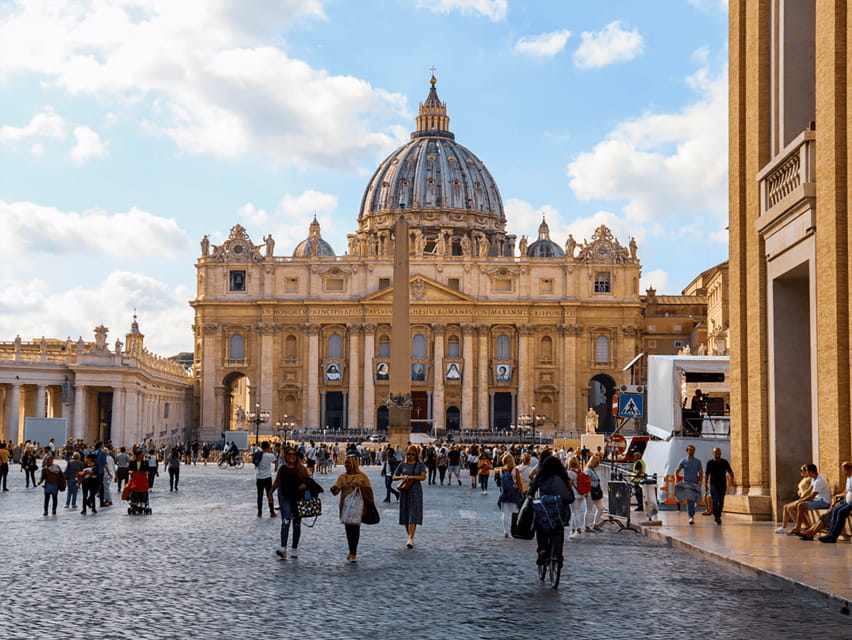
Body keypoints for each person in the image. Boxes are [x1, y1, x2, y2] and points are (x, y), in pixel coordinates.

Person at [527, 456, 572, 567]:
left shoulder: (541, 476)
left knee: (540, 527)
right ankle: (559, 554)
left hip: (545, 508)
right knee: (559, 529)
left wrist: (530, 497)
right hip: (560, 509)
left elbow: (531, 490)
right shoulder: (562, 476)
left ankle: (542, 549)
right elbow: (568, 493)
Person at [330, 454, 374, 562]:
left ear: (354, 464)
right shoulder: (342, 477)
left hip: (358, 506)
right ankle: (351, 550)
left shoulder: (362, 476)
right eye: (346, 463)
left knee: (355, 528)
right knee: (348, 528)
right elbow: (337, 491)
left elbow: (369, 491)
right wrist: (333, 489)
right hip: (346, 505)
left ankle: (353, 552)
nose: (346, 465)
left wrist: (360, 488)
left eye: (348, 463)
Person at [270, 448, 310, 559]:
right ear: (285, 456)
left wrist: (305, 486)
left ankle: (294, 548)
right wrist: (270, 494)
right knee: (285, 521)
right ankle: (283, 548)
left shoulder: (302, 469)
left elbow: (310, 482)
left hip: (298, 499)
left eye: (293, 454)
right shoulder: (282, 469)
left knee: (296, 525)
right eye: (289, 454)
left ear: (297, 456)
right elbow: (277, 482)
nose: (291, 456)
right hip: (286, 499)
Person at [392, 445, 427, 549]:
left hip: (416, 491)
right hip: (405, 491)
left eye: (412, 454)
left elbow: (423, 477)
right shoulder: (402, 464)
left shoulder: (420, 464)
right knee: (406, 514)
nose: (410, 456)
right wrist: (403, 477)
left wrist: (411, 477)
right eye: (408, 454)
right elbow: (394, 476)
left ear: (416, 454)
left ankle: (411, 538)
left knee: (413, 513)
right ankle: (409, 536)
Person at [819, 461, 852, 543]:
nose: (843, 471)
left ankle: (833, 536)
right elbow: (846, 492)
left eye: (844, 469)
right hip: (848, 502)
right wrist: (836, 496)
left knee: (841, 512)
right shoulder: (848, 478)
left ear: (848, 469)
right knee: (835, 510)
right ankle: (830, 534)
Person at [775, 465, 812, 533]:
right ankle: (784, 527)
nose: (801, 472)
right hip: (802, 497)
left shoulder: (810, 479)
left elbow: (811, 488)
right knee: (786, 507)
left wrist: (804, 494)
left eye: (802, 470)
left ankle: (800, 525)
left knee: (789, 507)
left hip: (806, 498)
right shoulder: (804, 479)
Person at [496, 453, 525, 538]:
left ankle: (506, 531)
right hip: (514, 493)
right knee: (515, 512)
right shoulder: (515, 470)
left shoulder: (500, 470)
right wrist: (521, 493)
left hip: (505, 493)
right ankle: (514, 530)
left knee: (505, 513)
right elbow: (519, 483)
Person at [703, 447, 735, 525]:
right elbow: (707, 474)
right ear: (713, 453)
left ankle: (718, 515)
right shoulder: (710, 463)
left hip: (722, 484)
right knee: (714, 500)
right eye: (715, 452)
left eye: (718, 452)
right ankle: (716, 516)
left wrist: (732, 481)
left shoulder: (724, 462)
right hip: (713, 484)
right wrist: (706, 485)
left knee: (721, 501)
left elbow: (730, 472)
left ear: (720, 453)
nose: (717, 454)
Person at [675, 445, 704, 524]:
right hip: (687, 483)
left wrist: (701, 481)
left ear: (694, 451)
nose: (691, 451)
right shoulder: (683, 461)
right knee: (690, 500)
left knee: (696, 499)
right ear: (687, 451)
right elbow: (677, 470)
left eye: (692, 450)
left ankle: (692, 511)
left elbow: (701, 472)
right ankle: (691, 516)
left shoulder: (697, 461)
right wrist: (676, 479)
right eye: (689, 450)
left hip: (695, 483)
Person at [254, 441, 276, 517]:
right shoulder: (270, 455)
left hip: (259, 477)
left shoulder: (258, 454)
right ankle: (272, 512)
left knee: (259, 495)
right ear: (268, 447)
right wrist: (270, 451)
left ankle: (259, 512)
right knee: (269, 494)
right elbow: (275, 461)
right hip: (267, 477)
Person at [585, 455, 605, 531]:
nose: (598, 464)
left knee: (600, 508)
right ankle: (586, 526)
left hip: (595, 491)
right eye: (597, 463)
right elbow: (586, 482)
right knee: (589, 509)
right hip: (590, 491)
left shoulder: (592, 470)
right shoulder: (588, 471)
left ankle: (595, 524)